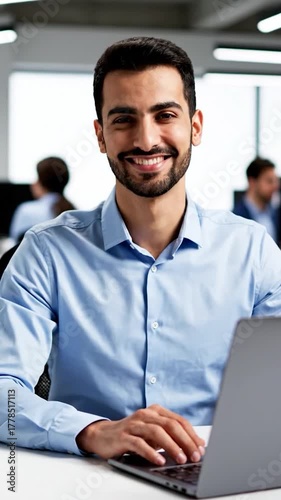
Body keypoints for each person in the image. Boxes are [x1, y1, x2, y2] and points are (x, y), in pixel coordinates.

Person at [1, 37, 281, 468]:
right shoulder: (47, 251)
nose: (146, 140)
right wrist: (92, 431)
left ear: (196, 126)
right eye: (123, 120)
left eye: (165, 115)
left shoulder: (253, 251)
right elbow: (5, 393)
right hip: (86, 480)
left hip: (218, 480)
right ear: (100, 135)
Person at [9, 156, 75, 243]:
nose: (33, 183)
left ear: (41, 181)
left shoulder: (26, 210)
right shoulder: (74, 211)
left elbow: (14, 245)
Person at [232, 157, 280, 243]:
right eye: (269, 181)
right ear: (252, 182)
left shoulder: (275, 213)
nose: (275, 186)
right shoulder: (236, 218)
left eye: (276, 181)